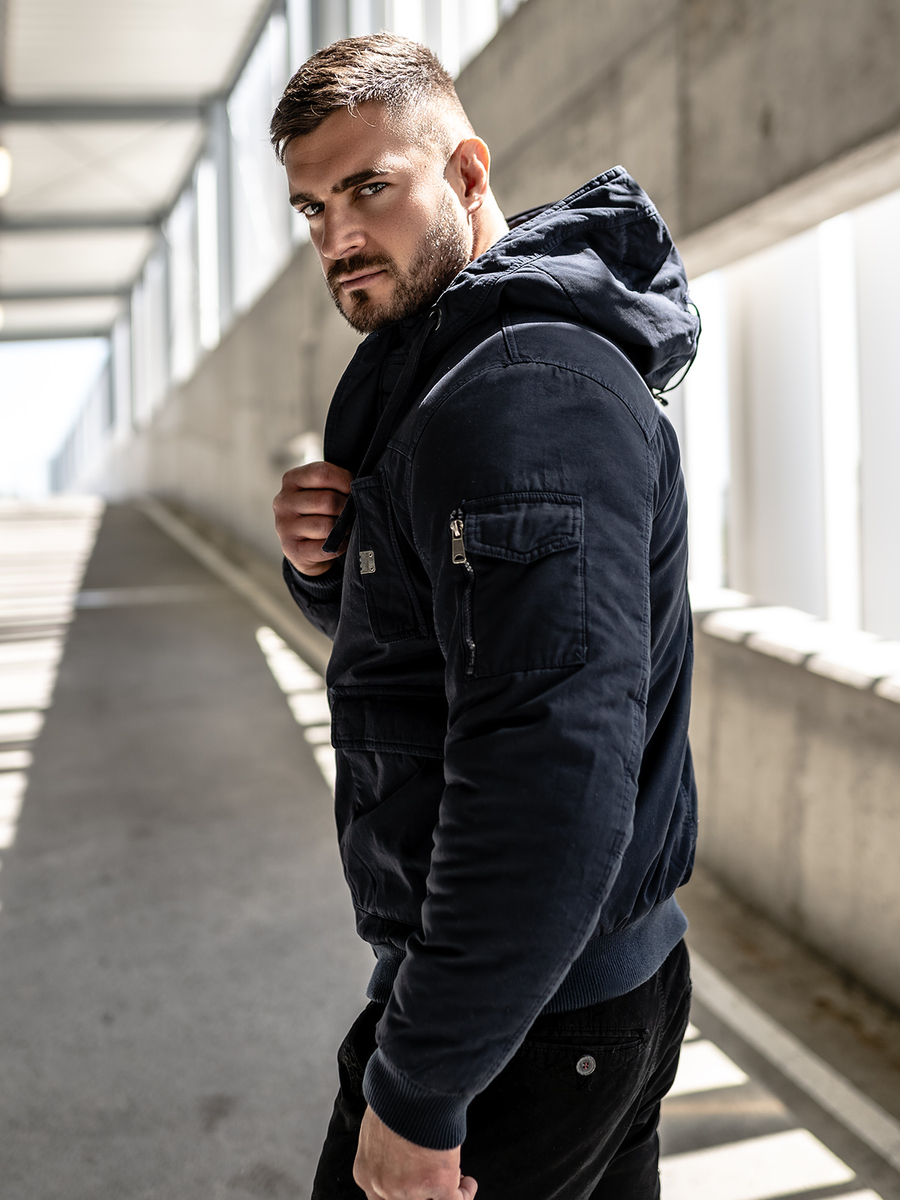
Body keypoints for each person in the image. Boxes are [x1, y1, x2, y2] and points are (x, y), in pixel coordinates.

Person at [270, 33, 699, 1200]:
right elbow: (454, 660)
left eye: (369, 188)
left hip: (529, 1029)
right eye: (312, 208)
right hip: (573, 1001)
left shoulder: (523, 398)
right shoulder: (448, 376)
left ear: (466, 172)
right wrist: (331, 567)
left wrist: (421, 1087)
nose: (338, 237)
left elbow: (547, 774)